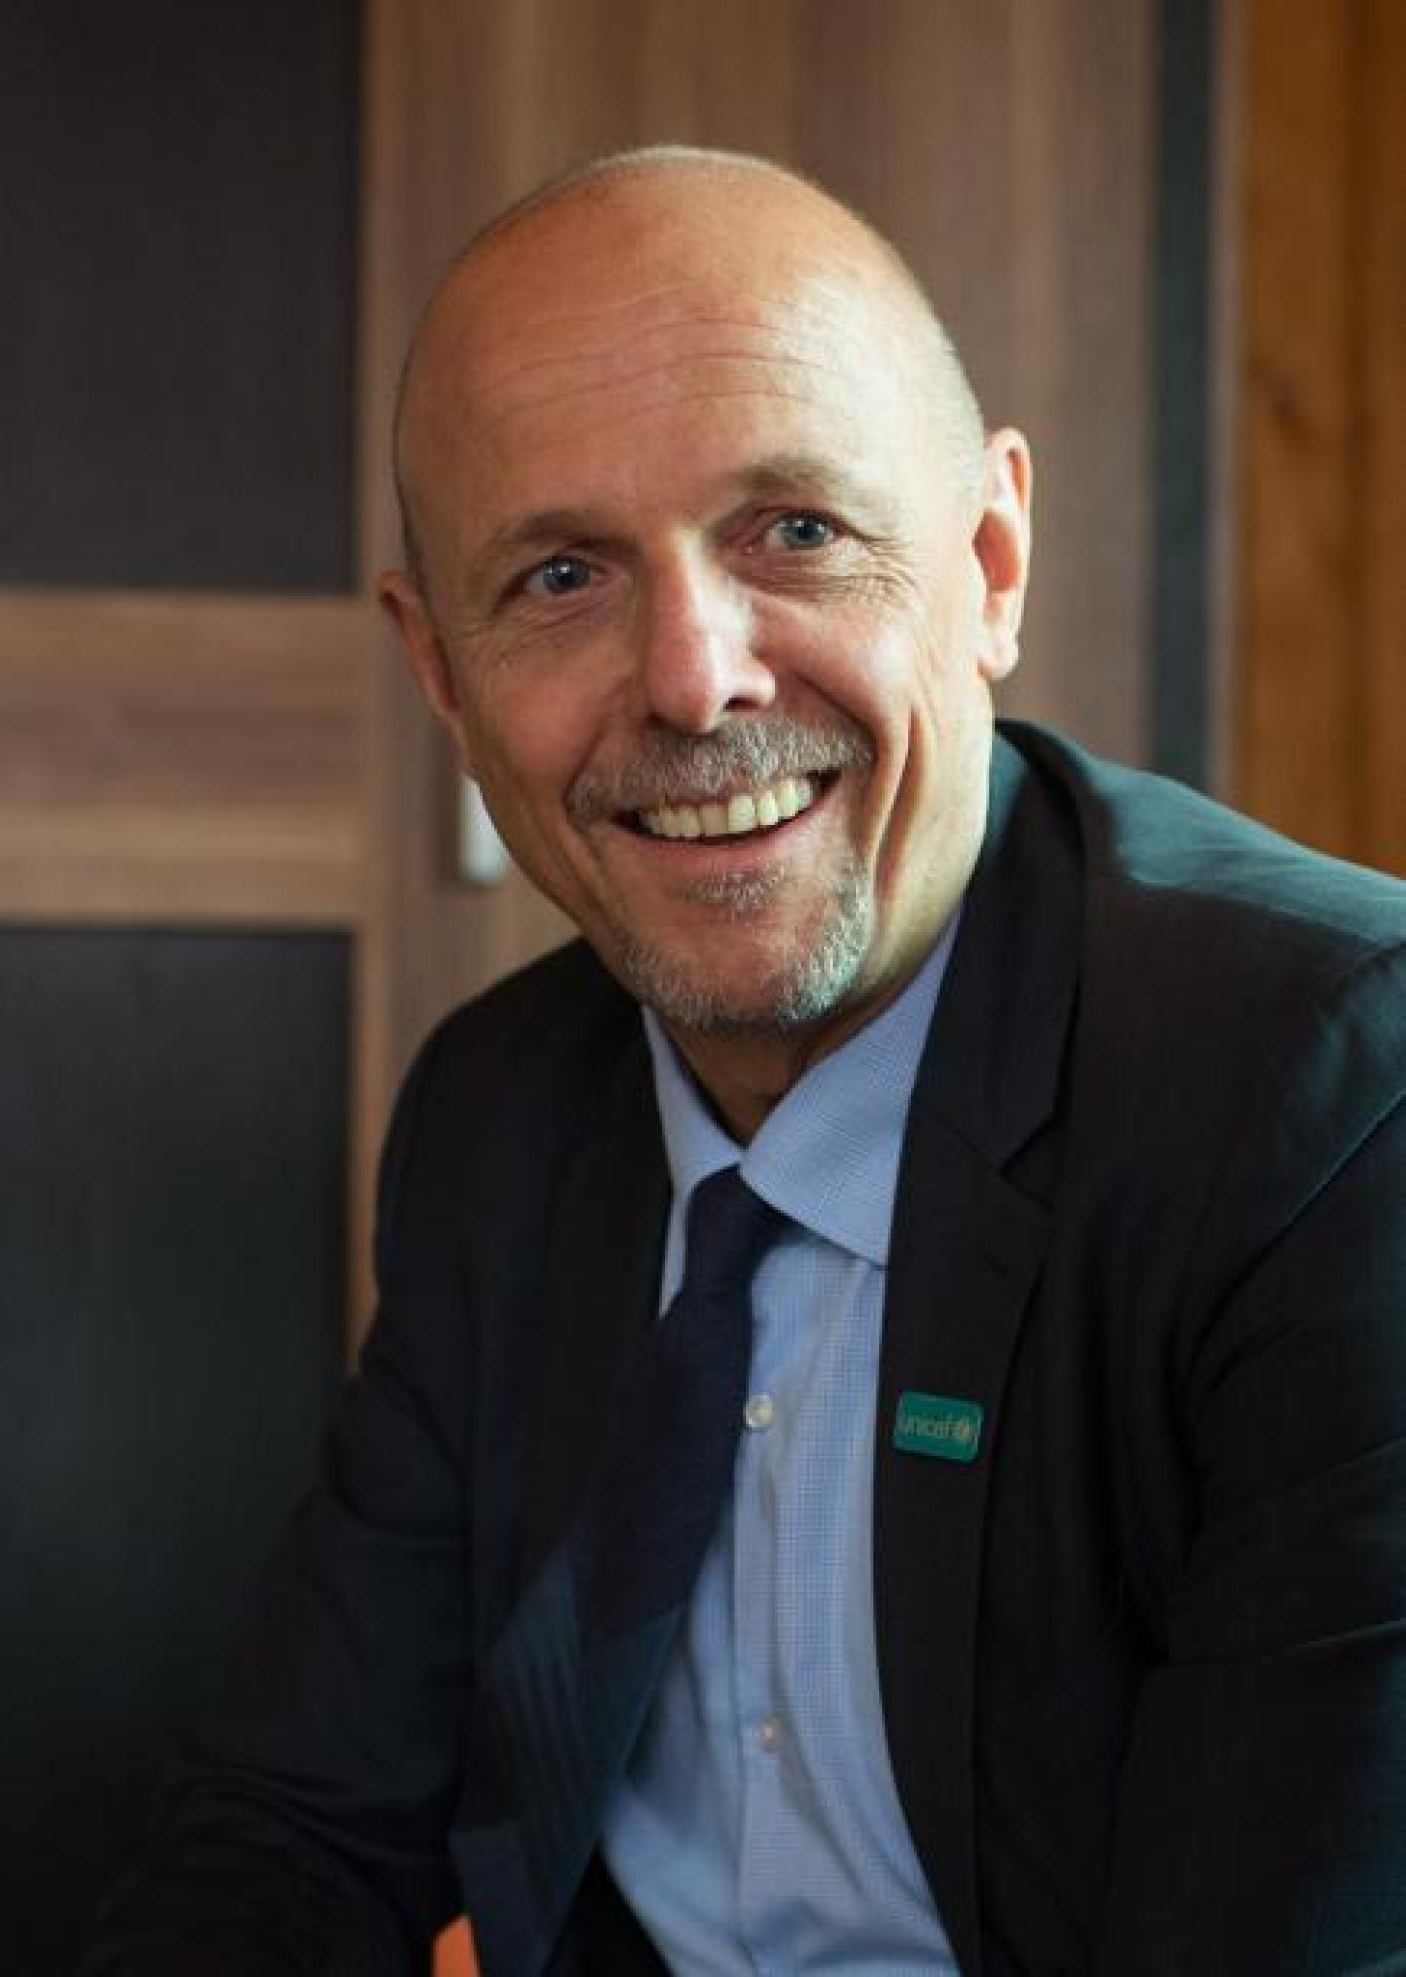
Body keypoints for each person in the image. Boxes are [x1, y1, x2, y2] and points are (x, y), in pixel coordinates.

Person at [85, 147, 1406, 1975]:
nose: (696, 677)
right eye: (559, 574)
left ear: (989, 565)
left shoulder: (1336, 1098)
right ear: (442, 673)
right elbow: (296, 1824)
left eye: (794, 530)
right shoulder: (500, 1112)